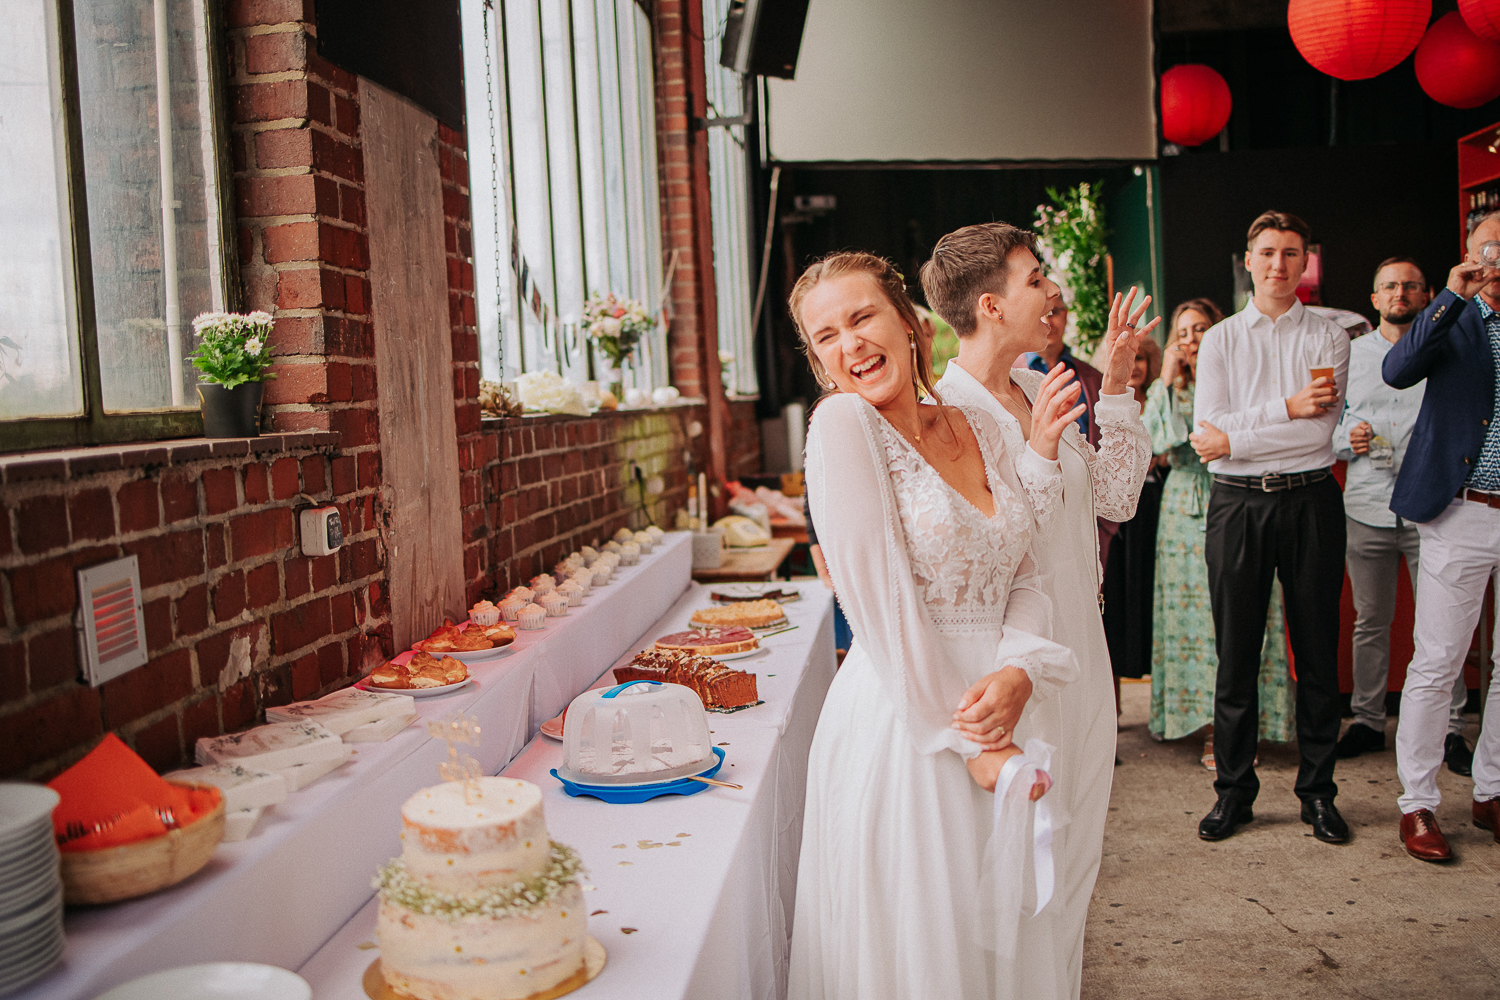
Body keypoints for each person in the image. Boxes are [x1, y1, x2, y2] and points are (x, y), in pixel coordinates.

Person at [786, 251, 1083, 1000]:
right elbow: (880, 607)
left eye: (862, 318)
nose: (849, 345)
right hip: (913, 725)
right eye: (825, 336)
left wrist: (1020, 671)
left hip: (1003, 706)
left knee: (1002, 952)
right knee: (929, 950)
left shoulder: (974, 426)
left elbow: (1027, 572)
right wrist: (969, 742)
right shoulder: (842, 426)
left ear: (910, 325)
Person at [920, 222, 1154, 999]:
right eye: (1035, 278)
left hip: (1083, 647)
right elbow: (996, 549)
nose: (1053, 291)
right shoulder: (945, 414)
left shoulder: (1034, 388)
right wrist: (1042, 453)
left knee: (1079, 851)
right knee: (1021, 860)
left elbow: (1115, 499)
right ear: (990, 305)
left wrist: (1115, 387)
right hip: (1014, 660)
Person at [1190, 210, 1351, 844]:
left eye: (1291, 253)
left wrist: (1240, 432)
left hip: (1311, 501)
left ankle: (1318, 794)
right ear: (1248, 261)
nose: (1279, 264)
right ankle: (1234, 793)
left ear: (1304, 261)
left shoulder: (1329, 337)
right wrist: (1283, 409)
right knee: (1236, 657)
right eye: (1267, 252)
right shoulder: (1222, 339)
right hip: (1237, 506)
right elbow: (1210, 441)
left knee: (1315, 654)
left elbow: (1320, 433)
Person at [1384, 211, 1500, 862]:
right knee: (1437, 664)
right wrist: (1454, 294)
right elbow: (1398, 370)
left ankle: (1492, 790)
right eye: (1492, 247)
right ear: (1469, 253)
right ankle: (1418, 804)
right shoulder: (1451, 318)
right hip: (1460, 512)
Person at [1333, 258, 1473, 772]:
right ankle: (1368, 719)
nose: (1400, 294)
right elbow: (1328, 426)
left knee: (1443, 625)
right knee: (1370, 620)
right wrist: (1345, 440)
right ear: (1374, 299)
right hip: (1367, 506)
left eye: (1411, 286)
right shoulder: (1349, 355)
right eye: (1390, 286)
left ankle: (1452, 729)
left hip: (1434, 508)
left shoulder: (1449, 346)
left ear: (1429, 294)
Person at [1145, 299, 1295, 764]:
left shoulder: (1237, 383)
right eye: (1183, 332)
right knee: (1193, 623)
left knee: (1242, 614)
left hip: (1240, 498)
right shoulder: (1166, 388)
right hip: (1182, 510)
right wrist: (1166, 378)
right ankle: (1208, 726)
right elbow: (1159, 443)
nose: (1191, 340)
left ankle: (1247, 725)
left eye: (1202, 329)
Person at [1100, 335, 1163, 690]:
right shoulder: (1104, 397)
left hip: (1152, 501)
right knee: (1116, 595)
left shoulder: (1158, 400)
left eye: (1141, 359)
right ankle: (1116, 698)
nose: (1135, 366)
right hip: (1113, 511)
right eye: (1130, 359)